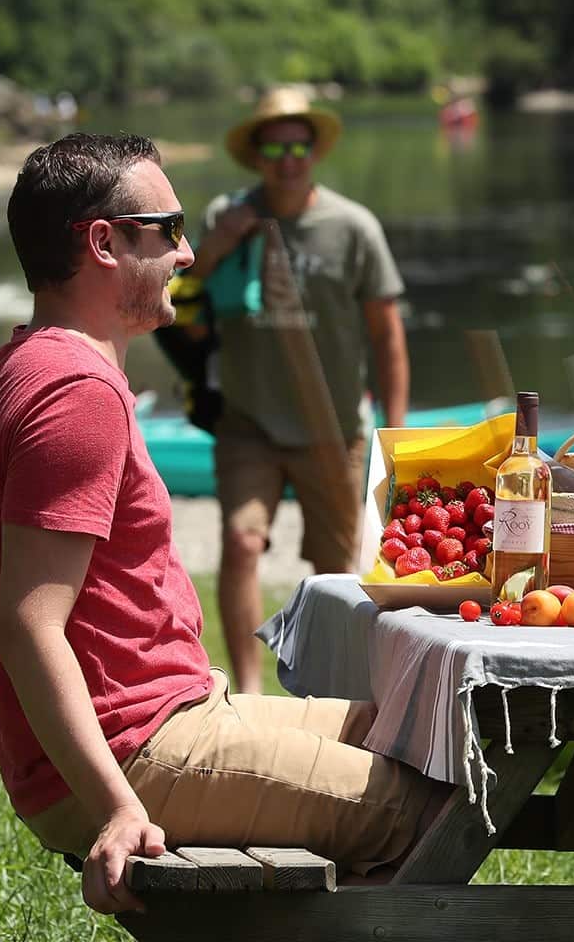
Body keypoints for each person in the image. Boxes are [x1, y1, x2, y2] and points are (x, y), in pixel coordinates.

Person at [0, 133, 444, 916]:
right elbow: (27, 625)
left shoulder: (17, 364)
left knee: (414, 730)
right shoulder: (77, 391)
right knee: (430, 809)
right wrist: (115, 806)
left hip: (172, 713)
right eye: (168, 229)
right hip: (134, 753)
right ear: (103, 243)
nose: (186, 255)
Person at [191, 88, 409, 694]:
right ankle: (248, 690)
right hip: (247, 420)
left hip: (332, 425)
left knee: (335, 570)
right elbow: (182, 294)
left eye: (298, 146)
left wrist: (396, 430)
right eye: (274, 147)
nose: (287, 158)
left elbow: (387, 335)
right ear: (256, 155)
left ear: (314, 152)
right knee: (240, 543)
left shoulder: (352, 227)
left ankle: (329, 691)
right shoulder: (225, 217)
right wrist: (220, 243)